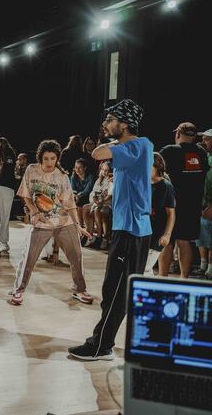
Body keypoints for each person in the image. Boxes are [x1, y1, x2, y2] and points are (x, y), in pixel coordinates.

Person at [69, 99, 152, 361]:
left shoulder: (137, 145)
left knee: (115, 291)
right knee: (113, 290)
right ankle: (104, 341)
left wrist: (112, 141)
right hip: (128, 228)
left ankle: (101, 346)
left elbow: (96, 153)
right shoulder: (134, 147)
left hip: (131, 230)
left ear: (125, 124)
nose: (105, 124)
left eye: (110, 120)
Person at [10, 140, 93, 306]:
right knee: (29, 258)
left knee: (76, 256)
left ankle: (80, 289)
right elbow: (25, 195)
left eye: (53, 158)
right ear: (40, 157)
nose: (49, 162)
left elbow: (69, 204)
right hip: (42, 223)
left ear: (57, 158)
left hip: (64, 222)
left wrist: (78, 226)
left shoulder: (61, 176)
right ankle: (19, 290)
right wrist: (33, 211)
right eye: (46, 158)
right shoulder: (31, 170)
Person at [159, 122, 209, 278]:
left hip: (170, 204)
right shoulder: (201, 152)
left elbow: (155, 170)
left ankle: (162, 277)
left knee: (167, 241)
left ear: (178, 134)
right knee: (184, 240)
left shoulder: (168, 151)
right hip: (192, 205)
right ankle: (183, 279)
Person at [143, 153, 176, 276]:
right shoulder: (145, 184)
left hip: (157, 233)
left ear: (157, 166)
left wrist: (167, 234)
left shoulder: (166, 186)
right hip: (144, 231)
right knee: (144, 268)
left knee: (145, 267)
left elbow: (171, 213)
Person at [82, 161, 114, 248]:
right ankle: (89, 235)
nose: (105, 172)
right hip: (98, 202)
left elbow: (110, 195)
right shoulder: (99, 180)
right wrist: (95, 198)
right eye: (103, 170)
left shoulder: (112, 180)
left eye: (107, 170)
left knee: (97, 210)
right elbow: (93, 192)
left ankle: (99, 237)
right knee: (85, 208)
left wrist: (101, 200)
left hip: (108, 203)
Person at [70, 159, 95, 227]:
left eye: (80, 167)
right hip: (78, 198)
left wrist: (79, 195)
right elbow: (73, 189)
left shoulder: (90, 177)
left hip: (88, 197)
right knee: (75, 203)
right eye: (76, 167)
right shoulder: (73, 177)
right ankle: (80, 226)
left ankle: (85, 226)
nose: (77, 170)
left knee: (79, 204)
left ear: (85, 168)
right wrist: (75, 195)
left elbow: (88, 190)